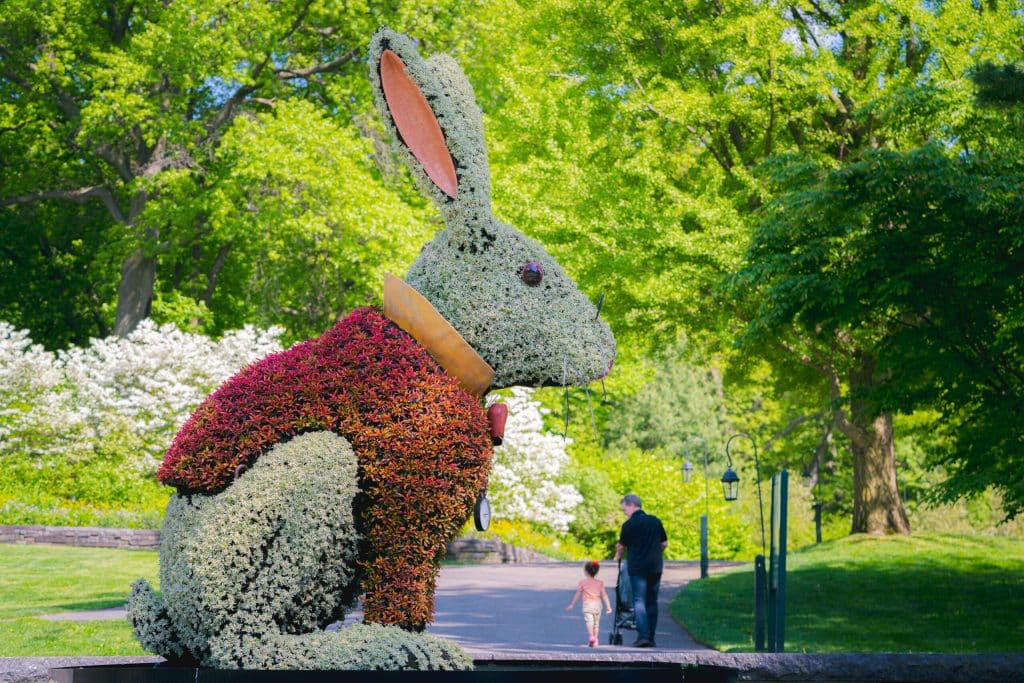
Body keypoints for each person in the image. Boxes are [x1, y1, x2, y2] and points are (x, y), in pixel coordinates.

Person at [613, 493, 667, 647]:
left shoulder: (629, 525)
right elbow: (664, 544)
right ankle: (651, 637)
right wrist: (654, 553)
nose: (625, 513)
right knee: (652, 601)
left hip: (637, 567)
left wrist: (617, 556)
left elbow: (622, 547)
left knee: (639, 601)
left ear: (631, 505)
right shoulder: (655, 521)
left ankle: (643, 636)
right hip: (655, 566)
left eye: (625, 510)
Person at [565, 560, 612, 647]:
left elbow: (578, 594)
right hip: (598, 604)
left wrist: (572, 604)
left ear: (586, 572)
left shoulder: (583, 583)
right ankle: (596, 639)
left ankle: (591, 637)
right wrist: (608, 606)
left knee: (589, 621)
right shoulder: (600, 583)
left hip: (588, 604)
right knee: (596, 623)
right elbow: (604, 595)